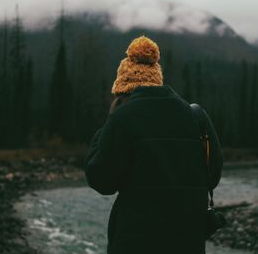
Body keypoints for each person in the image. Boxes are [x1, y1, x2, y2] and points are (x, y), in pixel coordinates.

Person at [84, 36, 223, 254]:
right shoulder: (196, 116)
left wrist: (104, 132)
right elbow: (212, 176)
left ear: (122, 89)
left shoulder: (123, 118)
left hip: (135, 242)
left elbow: (102, 180)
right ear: (157, 80)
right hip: (187, 242)